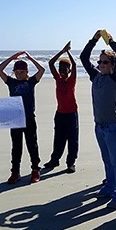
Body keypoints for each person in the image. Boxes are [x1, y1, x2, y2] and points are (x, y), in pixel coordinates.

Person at [80, 30, 116, 209]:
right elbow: (84, 57)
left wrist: (110, 40)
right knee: (107, 160)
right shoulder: (95, 77)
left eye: (105, 62)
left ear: (113, 65)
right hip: (99, 126)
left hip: (112, 127)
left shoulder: (115, 78)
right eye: (99, 62)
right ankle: (109, 186)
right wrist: (93, 40)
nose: (100, 65)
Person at [0, 51, 45, 184]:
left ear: (26, 72)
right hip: (15, 119)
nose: (19, 73)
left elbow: (42, 69)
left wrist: (30, 58)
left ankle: (35, 170)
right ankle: (15, 172)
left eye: (22, 71)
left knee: (32, 145)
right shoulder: (11, 82)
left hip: (29, 118)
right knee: (16, 146)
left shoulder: (31, 82)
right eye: (17, 71)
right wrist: (12, 58)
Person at [43, 41, 79, 173]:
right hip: (60, 114)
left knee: (72, 139)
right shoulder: (57, 79)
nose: (62, 71)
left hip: (71, 114)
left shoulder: (71, 80)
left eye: (65, 69)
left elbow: (75, 64)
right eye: (61, 69)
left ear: (69, 71)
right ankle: (54, 160)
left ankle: (71, 163)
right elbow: (50, 63)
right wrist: (62, 51)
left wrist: (68, 52)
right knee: (58, 138)